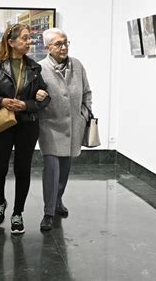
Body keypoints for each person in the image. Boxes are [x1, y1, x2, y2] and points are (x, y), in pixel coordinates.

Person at [0, 23, 50, 234]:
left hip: (27, 124)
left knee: (22, 169)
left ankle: (18, 213)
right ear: (11, 42)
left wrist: (27, 104)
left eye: (30, 38)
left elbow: (45, 98)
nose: (30, 42)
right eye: (25, 38)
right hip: (2, 123)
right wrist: (2, 101)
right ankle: (0, 201)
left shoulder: (34, 68)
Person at [37, 28, 92, 231]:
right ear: (47, 47)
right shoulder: (40, 69)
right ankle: (48, 212)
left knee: (65, 169)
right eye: (58, 44)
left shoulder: (77, 65)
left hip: (73, 126)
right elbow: (33, 95)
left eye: (66, 42)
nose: (64, 47)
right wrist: (37, 97)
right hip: (50, 126)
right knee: (52, 168)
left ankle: (58, 200)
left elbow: (87, 91)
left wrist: (85, 113)